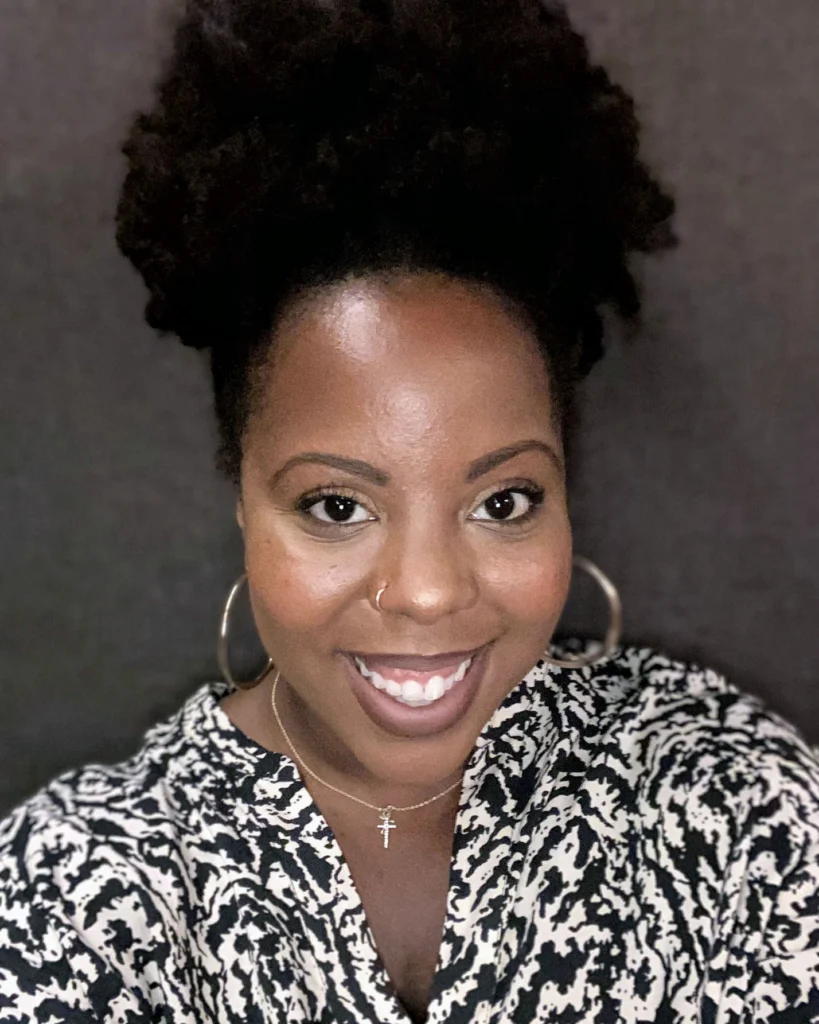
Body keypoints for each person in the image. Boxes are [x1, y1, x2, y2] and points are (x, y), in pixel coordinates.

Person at [1, 0, 817, 1020]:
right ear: (240, 488)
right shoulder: (81, 893)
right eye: (337, 504)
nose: (428, 592)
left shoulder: (728, 801)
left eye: (504, 499)